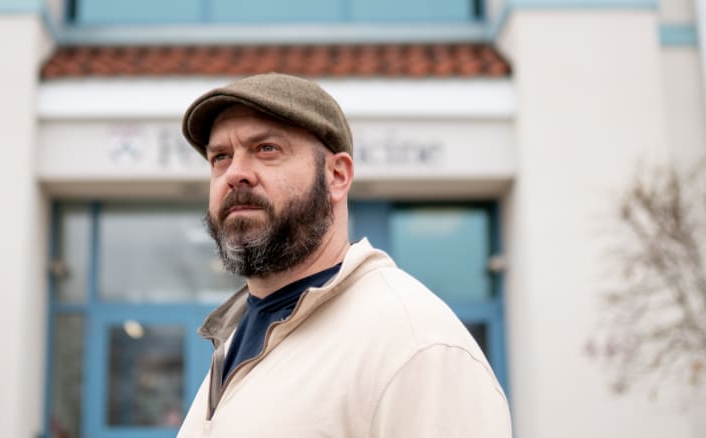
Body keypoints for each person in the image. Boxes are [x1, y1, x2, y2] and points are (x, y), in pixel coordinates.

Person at [177, 73, 512, 437]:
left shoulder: (415, 346)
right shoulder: (232, 341)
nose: (235, 173)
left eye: (266, 149)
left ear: (337, 175)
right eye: (220, 157)